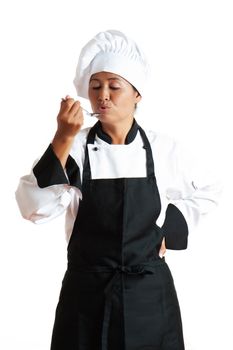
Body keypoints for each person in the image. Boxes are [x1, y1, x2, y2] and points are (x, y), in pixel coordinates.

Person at [15, 30, 221, 350]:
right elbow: (32, 207)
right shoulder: (76, 147)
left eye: (114, 86)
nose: (103, 95)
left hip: (150, 296)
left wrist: (172, 231)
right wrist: (62, 138)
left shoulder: (164, 148)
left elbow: (209, 188)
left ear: (137, 94)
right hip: (86, 294)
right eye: (95, 86)